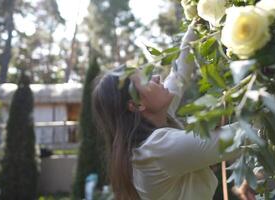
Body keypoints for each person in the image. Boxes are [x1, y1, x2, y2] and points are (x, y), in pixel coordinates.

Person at [92, 26, 255, 200]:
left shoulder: (155, 120)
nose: (156, 77)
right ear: (137, 105)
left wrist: (196, 25)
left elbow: (178, 76)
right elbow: (243, 136)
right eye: (147, 79)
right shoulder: (157, 150)